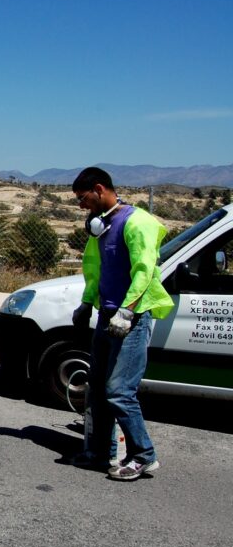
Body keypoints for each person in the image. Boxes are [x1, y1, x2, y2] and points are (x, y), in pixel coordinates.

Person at [69, 167, 174, 480]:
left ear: (99, 189)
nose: (81, 206)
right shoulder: (101, 227)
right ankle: (102, 453)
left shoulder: (136, 222)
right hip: (106, 316)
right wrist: (87, 302)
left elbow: (144, 270)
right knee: (98, 387)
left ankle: (144, 456)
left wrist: (127, 311)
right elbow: (95, 268)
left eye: (83, 198)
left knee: (119, 391)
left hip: (132, 319)